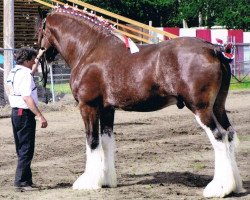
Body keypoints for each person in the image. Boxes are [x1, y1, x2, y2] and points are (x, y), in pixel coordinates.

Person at [6, 47, 47, 192]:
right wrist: (40, 115)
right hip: (25, 113)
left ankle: (26, 180)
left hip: (16, 113)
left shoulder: (14, 71)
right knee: (26, 149)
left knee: (22, 148)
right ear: (27, 60)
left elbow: (31, 72)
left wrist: (40, 55)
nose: (35, 62)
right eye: (34, 59)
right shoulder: (25, 75)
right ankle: (21, 182)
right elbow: (27, 97)